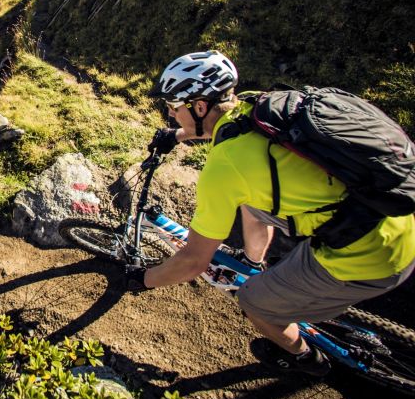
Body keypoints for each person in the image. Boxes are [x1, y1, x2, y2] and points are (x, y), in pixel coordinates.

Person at [129, 50, 415, 376]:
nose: (169, 111)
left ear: (198, 106)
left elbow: (193, 262)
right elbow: (222, 128)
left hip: (368, 255)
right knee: (251, 202)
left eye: (173, 106)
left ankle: (304, 357)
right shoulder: (258, 104)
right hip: (388, 215)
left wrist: (145, 278)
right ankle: (253, 262)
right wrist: (176, 136)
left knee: (253, 301)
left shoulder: (225, 168)